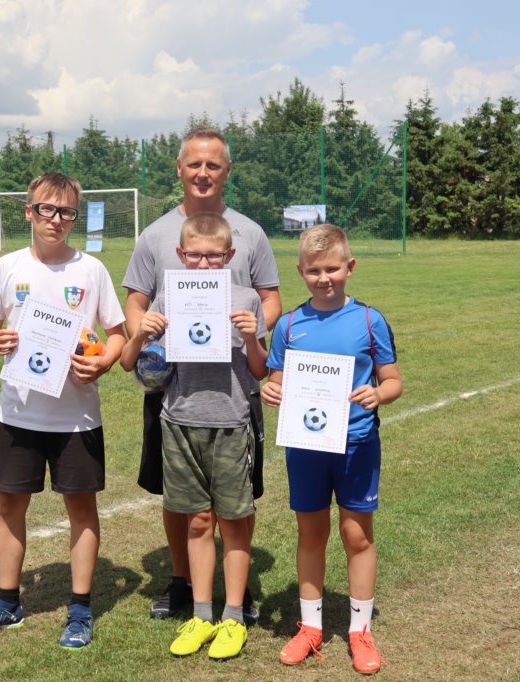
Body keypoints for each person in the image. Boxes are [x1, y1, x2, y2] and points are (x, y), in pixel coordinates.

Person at [0, 172, 126, 650]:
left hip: (76, 417)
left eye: (66, 211)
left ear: (75, 217)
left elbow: (116, 333)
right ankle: (7, 603)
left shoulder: (91, 270)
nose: (56, 219)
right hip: (18, 413)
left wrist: (104, 362)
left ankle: (80, 610)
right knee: (9, 506)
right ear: (29, 212)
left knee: (81, 509)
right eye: (46, 209)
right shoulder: (8, 266)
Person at [122, 125, 281, 622]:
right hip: (176, 385)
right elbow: (136, 301)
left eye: (213, 164)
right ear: (180, 168)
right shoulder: (155, 234)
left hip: (233, 389)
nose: (204, 172)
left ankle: (236, 592)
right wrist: (148, 342)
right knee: (180, 495)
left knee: (235, 498)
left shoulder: (250, 233)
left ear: (227, 170)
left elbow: (270, 299)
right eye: (195, 163)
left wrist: (246, 331)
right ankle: (183, 583)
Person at [261, 224, 403, 674]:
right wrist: (270, 390)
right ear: (300, 272)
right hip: (306, 447)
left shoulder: (369, 320)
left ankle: (360, 631)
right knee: (311, 534)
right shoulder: (289, 325)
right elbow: (277, 381)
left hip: (356, 443)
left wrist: (378, 394)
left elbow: (393, 381)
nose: (324, 278)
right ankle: (310, 627)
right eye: (314, 270)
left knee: (356, 535)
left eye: (333, 269)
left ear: (350, 266)